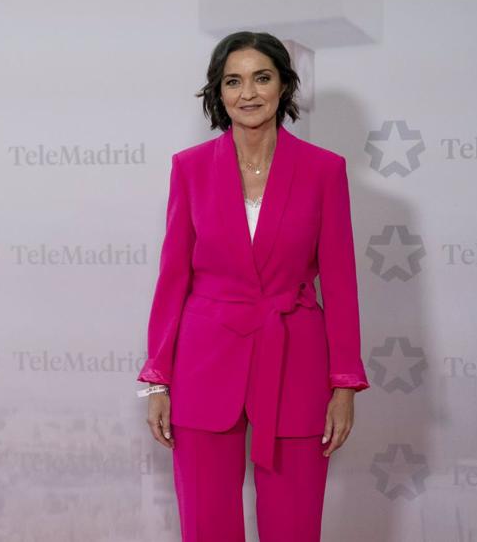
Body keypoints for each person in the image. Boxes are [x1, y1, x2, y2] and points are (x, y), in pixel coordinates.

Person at [136, 31, 370, 541]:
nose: (248, 93)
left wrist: (344, 383)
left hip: (296, 359)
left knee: (294, 522)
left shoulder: (325, 171)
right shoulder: (190, 169)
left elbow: (341, 282)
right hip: (203, 361)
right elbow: (173, 278)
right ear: (217, 94)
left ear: (284, 86)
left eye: (262, 78)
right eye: (233, 81)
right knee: (205, 523)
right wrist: (158, 378)